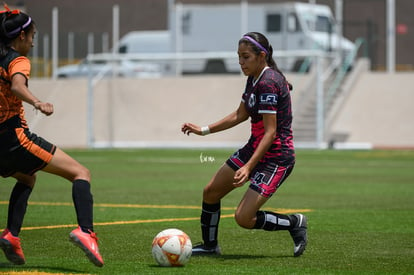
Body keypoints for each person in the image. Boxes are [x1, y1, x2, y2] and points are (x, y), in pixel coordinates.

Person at [181, 32, 307, 257]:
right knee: (211, 192)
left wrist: (248, 167)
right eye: (239, 57)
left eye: (245, 57)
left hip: (276, 158)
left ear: (262, 55)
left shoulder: (268, 82)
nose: (241, 62)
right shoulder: (254, 77)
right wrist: (204, 130)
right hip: (254, 148)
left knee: (244, 218)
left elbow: (271, 133)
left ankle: (294, 223)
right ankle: (210, 246)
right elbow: (240, 114)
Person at [0, 4, 103, 267]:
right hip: (14, 139)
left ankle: (12, 235)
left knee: (27, 177)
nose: (33, 44)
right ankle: (86, 231)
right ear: (21, 36)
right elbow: (17, 84)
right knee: (81, 173)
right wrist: (37, 102)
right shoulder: (17, 59)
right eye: (32, 37)